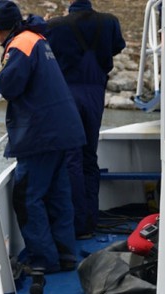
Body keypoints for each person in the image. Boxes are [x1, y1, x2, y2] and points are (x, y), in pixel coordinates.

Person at [0, 0, 86, 272]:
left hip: (40, 133)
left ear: (0, 28)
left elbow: (9, 84)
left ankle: (43, 260)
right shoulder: (38, 39)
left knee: (27, 196)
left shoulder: (20, 44)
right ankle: (66, 255)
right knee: (57, 194)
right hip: (61, 130)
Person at [45, 1, 126, 239]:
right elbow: (117, 47)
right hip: (95, 94)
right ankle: (91, 220)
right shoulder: (110, 22)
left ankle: (75, 224)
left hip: (68, 95)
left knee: (71, 158)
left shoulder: (56, 26)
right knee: (90, 156)